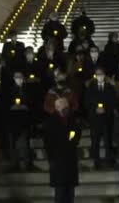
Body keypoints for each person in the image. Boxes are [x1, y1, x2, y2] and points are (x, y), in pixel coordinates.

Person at [43, 70, 80, 203]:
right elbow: (47, 141)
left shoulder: (72, 119)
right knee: (60, 195)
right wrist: (51, 158)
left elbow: (76, 131)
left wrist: (73, 138)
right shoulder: (50, 122)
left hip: (70, 160)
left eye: (66, 106)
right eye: (62, 106)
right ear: (57, 107)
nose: (65, 108)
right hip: (58, 161)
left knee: (70, 195)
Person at [84, 67, 117, 169]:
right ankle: (96, 161)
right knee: (95, 141)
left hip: (107, 119)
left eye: (101, 74)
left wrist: (106, 109)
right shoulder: (90, 88)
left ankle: (109, 160)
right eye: (97, 74)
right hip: (95, 119)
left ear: (104, 75)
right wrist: (95, 109)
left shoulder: (110, 88)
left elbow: (113, 101)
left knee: (108, 141)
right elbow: (86, 102)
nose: (99, 76)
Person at [6, 71, 33, 172]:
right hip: (14, 119)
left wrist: (25, 106)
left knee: (24, 141)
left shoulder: (28, 89)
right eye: (17, 77)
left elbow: (32, 101)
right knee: (14, 142)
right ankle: (15, 163)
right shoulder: (10, 90)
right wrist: (12, 106)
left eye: (21, 77)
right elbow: (6, 103)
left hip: (25, 118)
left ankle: (25, 162)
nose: (19, 79)